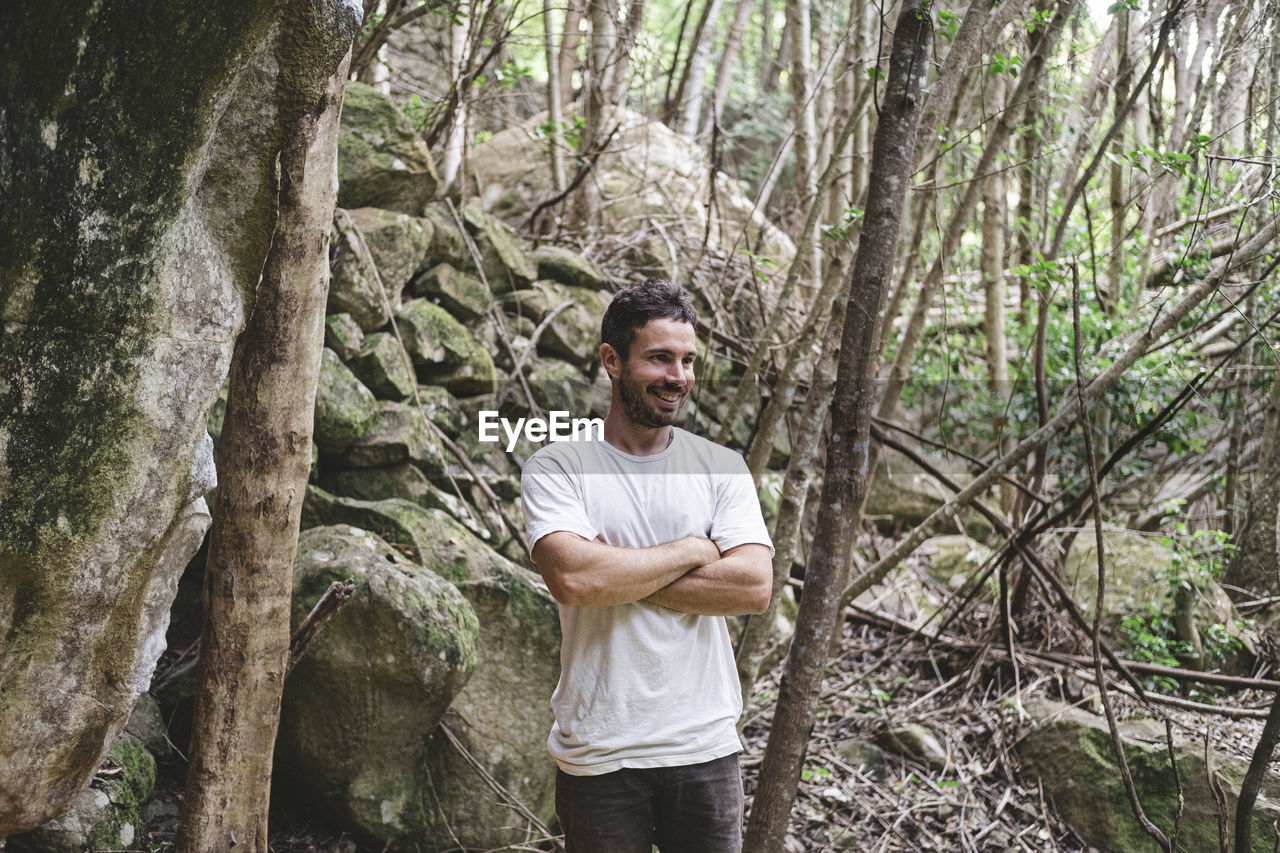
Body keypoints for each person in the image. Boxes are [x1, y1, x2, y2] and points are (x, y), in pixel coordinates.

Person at [520, 277, 774, 853]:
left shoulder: (721, 466)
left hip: (704, 748)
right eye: (660, 358)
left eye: (687, 361)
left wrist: (617, 572)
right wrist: (693, 549)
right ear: (612, 360)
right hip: (601, 749)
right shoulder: (557, 467)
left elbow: (753, 587)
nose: (678, 377)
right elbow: (576, 579)